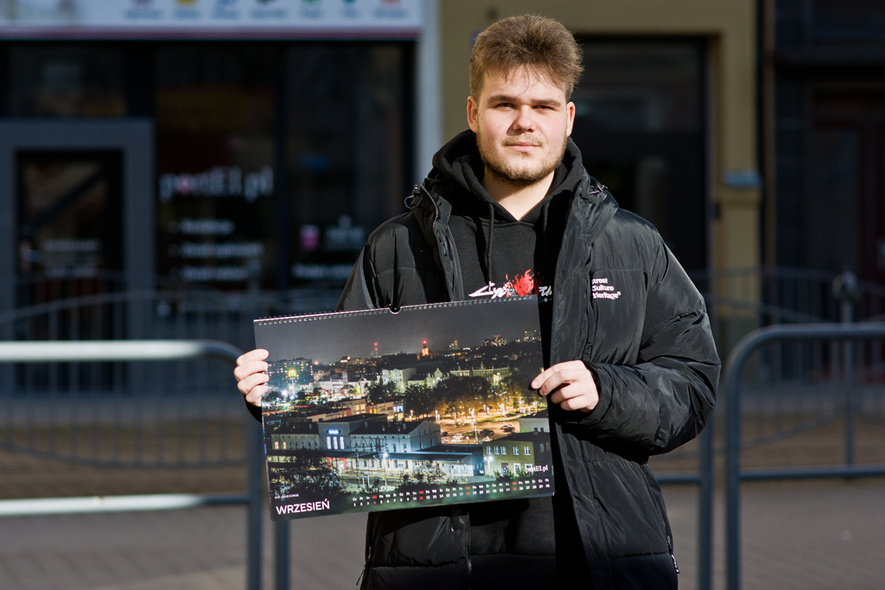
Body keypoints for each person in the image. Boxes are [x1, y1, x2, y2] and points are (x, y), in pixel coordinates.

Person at [235, 14, 719, 590]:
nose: (523, 123)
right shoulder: (397, 246)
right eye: (504, 104)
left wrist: (606, 390)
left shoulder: (631, 245)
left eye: (542, 106)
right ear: (473, 113)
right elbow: (343, 393)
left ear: (567, 118)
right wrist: (282, 396)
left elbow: (692, 382)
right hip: (433, 565)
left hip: (600, 559)